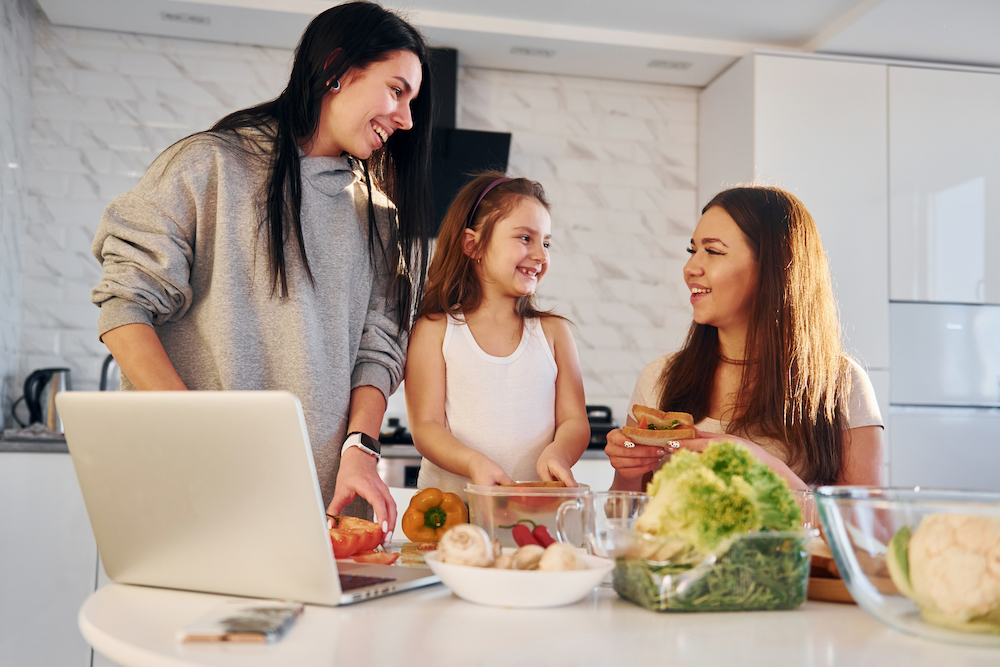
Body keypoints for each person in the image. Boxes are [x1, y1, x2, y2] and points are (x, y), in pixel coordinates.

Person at [89, 2, 435, 538]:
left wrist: (360, 451)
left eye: (412, 100)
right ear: (337, 70)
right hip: (189, 480)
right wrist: (195, 428)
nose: (408, 118)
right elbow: (125, 304)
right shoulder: (210, 165)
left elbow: (379, 351)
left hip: (321, 499)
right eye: (397, 90)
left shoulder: (379, 219)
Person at [606, 186, 884, 492]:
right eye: (692, 250)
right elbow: (627, 519)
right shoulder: (659, 378)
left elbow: (865, 529)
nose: (689, 269)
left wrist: (767, 469)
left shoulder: (841, 384)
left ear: (774, 267)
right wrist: (629, 474)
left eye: (713, 251)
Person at [405, 173, 590, 500]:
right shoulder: (433, 330)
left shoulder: (555, 334)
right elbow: (427, 427)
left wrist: (558, 453)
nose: (541, 255)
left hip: (532, 516)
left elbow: (574, 421)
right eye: (525, 238)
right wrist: (473, 462)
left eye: (546, 243)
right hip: (450, 515)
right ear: (472, 245)